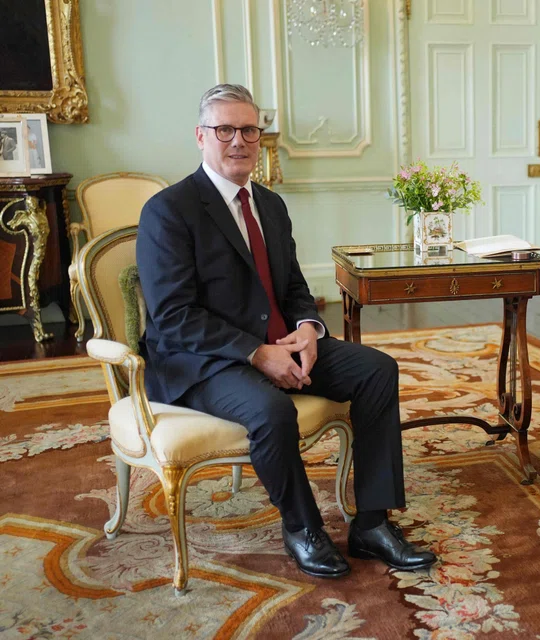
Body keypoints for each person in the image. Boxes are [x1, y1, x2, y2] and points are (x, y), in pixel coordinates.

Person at [136, 84, 436, 580]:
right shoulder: (169, 210)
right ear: (201, 136)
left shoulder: (270, 205)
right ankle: (303, 529)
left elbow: (294, 286)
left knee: (377, 369)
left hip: (277, 343)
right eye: (224, 130)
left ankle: (372, 523)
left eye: (248, 130)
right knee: (272, 411)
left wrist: (308, 330)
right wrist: (257, 353)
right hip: (204, 360)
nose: (238, 140)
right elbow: (173, 315)